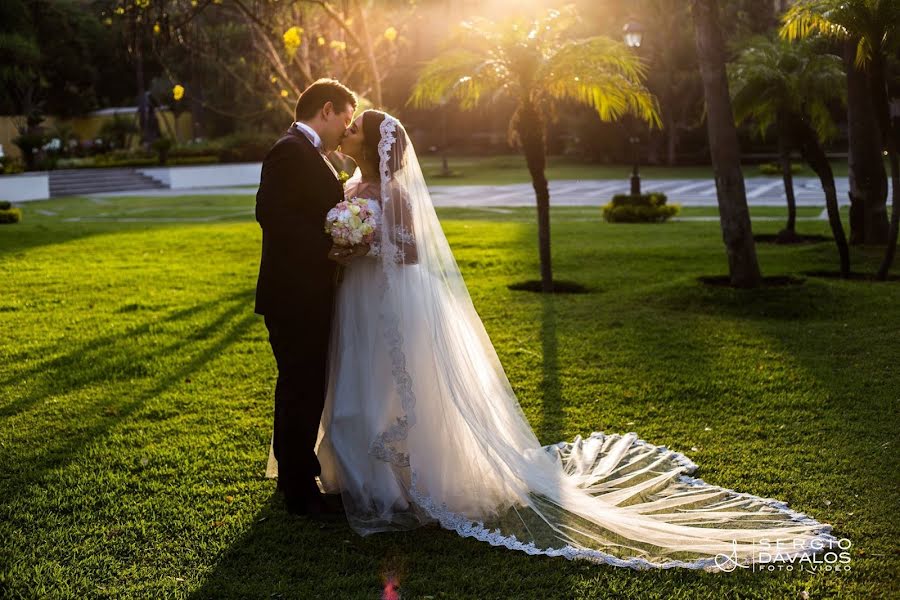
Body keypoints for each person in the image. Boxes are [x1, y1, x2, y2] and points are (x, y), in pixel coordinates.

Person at [268, 108, 838, 571]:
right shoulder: (353, 182)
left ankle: (395, 489)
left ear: (374, 143)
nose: (346, 133)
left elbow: (410, 251)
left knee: (391, 389)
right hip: (355, 302)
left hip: (387, 304)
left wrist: (364, 245)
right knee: (352, 387)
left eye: (354, 129)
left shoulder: (394, 191)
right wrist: (347, 244)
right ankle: (345, 475)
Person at [255, 78, 360, 517]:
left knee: (304, 386)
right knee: (301, 387)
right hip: (294, 295)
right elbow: (270, 214)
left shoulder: (309, 152)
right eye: (346, 121)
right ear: (328, 109)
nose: (345, 131)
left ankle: (298, 477)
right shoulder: (290, 149)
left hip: (308, 292)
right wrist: (328, 247)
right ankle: (299, 491)